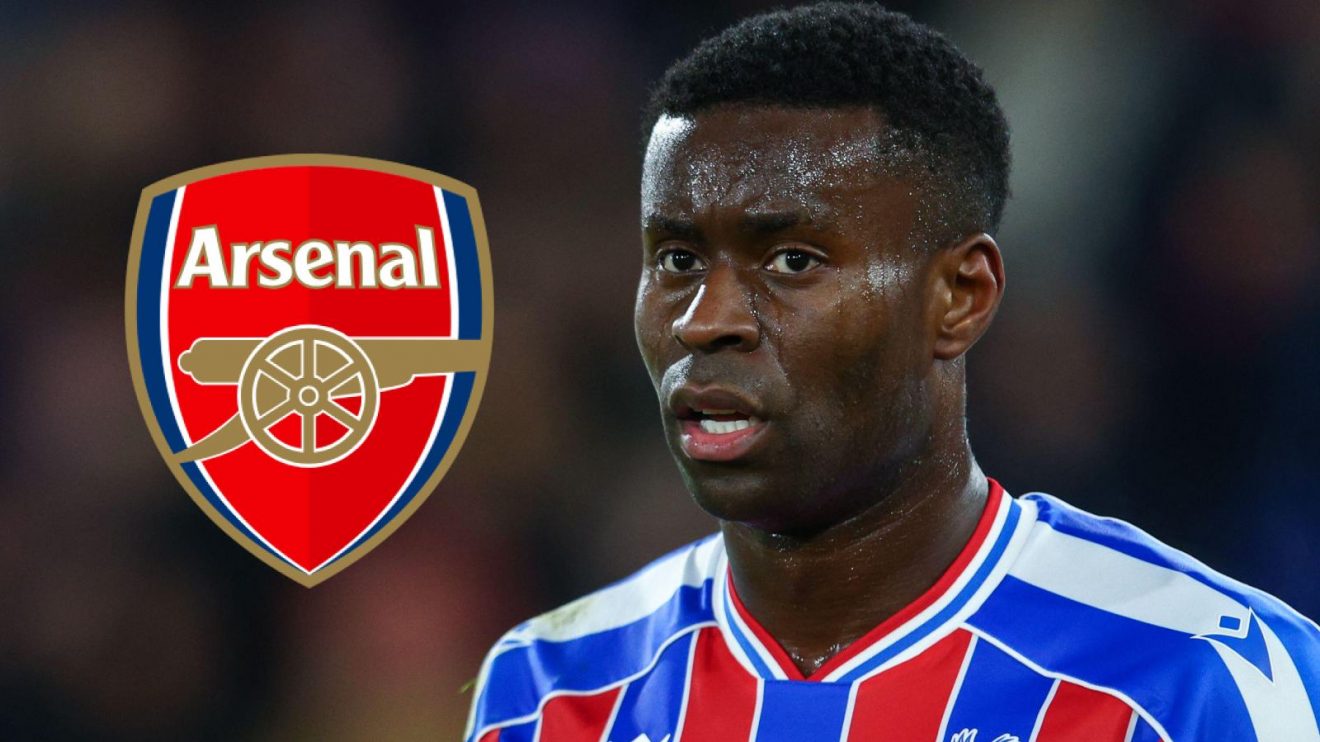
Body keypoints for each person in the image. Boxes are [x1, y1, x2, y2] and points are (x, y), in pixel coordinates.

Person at [465, 4, 1320, 740]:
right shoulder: (551, 692)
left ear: (960, 297)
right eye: (679, 259)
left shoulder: (1191, 678)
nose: (705, 318)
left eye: (793, 260)